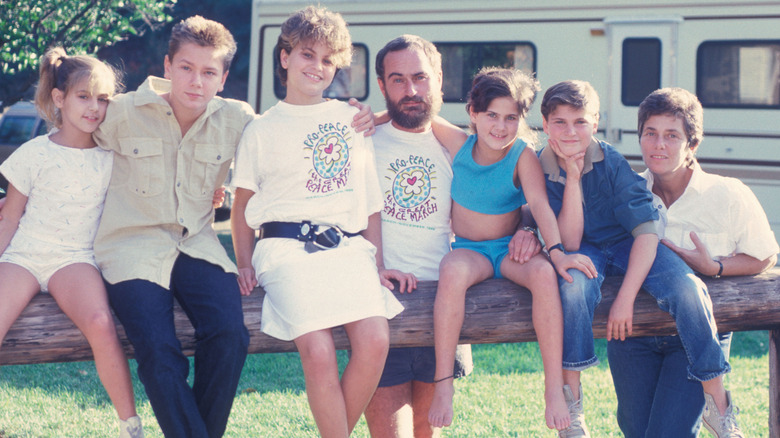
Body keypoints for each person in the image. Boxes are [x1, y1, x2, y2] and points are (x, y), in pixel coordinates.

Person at [230, 7, 409, 438]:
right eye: (308, 55)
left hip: (348, 251)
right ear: (286, 57)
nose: (318, 67)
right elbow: (241, 209)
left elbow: (369, 204)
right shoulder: (261, 129)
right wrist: (243, 261)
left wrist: (378, 261)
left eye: (329, 60)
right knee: (318, 350)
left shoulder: (350, 119)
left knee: (376, 341)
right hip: (285, 251)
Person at [538, 80, 736, 438]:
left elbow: (646, 233)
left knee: (689, 289)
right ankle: (573, 401)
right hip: (585, 252)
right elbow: (569, 241)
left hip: (630, 243)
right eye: (560, 122)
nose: (570, 132)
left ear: (595, 123)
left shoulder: (611, 161)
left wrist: (625, 299)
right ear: (545, 123)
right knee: (572, 287)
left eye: (580, 122)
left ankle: (718, 404)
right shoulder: (541, 165)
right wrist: (571, 177)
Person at [426, 67, 596, 432]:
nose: (500, 127)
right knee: (451, 270)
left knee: (543, 273)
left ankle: (554, 387)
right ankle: (443, 384)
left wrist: (557, 252)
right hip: (471, 251)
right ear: (473, 112)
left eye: (510, 118)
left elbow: (540, 207)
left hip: (508, 251)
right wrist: (371, 115)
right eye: (491, 116)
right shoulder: (458, 144)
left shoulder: (522, 156)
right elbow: (424, 114)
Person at [607, 87, 778, 438]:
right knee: (636, 432)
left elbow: (764, 256)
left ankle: (720, 408)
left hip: (696, 339)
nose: (659, 145)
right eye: (650, 134)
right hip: (633, 337)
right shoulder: (624, 194)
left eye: (672, 136)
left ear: (692, 144)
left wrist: (713, 266)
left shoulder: (728, 193)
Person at [0, 48, 144, 438]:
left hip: (75, 259)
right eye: (84, 96)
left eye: (103, 99)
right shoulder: (33, 154)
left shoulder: (112, 157)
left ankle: (130, 424)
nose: (94, 108)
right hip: (24, 255)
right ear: (60, 98)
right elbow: (10, 216)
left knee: (100, 323)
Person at [364, 34, 478, 438]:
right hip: (379, 306)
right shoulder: (363, 141)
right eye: (397, 80)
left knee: (428, 432)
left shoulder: (460, 148)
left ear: (439, 78)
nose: (411, 90)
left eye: (420, 77)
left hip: (441, 303)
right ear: (381, 86)